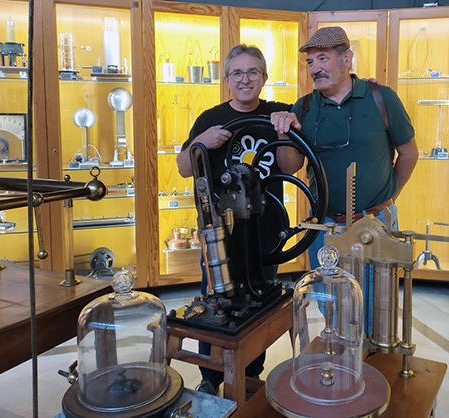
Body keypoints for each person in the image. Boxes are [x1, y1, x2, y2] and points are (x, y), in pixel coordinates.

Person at [176, 44, 292, 396]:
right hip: (219, 234)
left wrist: (285, 129)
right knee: (216, 304)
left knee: (260, 302)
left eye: (252, 72)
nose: (245, 80)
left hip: (266, 233)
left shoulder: (277, 115)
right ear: (226, 80)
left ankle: (250, 376)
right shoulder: (209, 119)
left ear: (264, 77)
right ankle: (210, 380)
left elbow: (291, 167)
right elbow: (183, 167)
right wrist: (200, 143)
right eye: (237, 73)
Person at [271, 26, 418, 269]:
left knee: (375, 300)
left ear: (346, 58)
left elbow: (409, 152)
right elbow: (291, 166)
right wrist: (282, 131)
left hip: (374, 222)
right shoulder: (304, 106)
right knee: (328, 300)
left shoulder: (381, 98)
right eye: (310, 62)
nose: (315, 68)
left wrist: (391, 197)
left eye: (322, 59)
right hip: (323, 225)